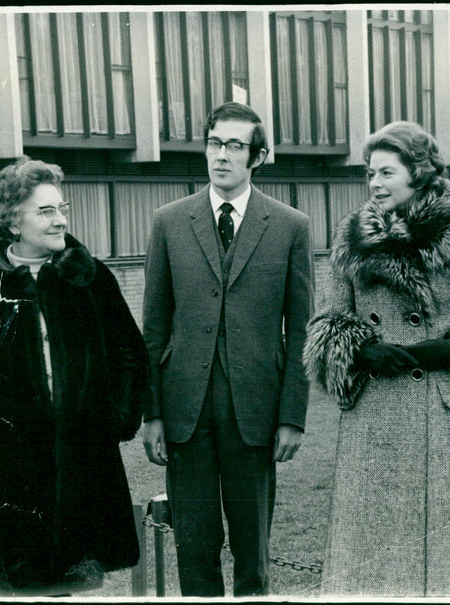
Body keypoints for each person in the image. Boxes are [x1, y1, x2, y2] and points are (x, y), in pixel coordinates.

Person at [303, 121, 450, 596]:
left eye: (387, 173)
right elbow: (325, 323)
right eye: (370, 173)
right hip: (373, 413)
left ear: (418, 174)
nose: (374, 184)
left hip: (441, 413)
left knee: (447, 547)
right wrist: (361, 349)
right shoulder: (352, 241)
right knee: (371, 548)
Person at [0, 157, 150, 595]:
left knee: (74, 577)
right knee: (21, 581)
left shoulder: (89, 278)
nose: (60, 221)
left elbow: (130, 356)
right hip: (13, 460)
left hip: (83, 455)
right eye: (46, 211)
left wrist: (114, 421)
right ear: (12, 222)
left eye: (62, 208)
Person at [141, 102, 314, 597]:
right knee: (193, 547)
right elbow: (154, 327)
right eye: (215, 143)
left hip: (255, 411)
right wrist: (152, 413)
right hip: (184, 411)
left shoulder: (290, 226)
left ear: (257, 156)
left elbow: (301, 329)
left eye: (235, 145)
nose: (221, 155)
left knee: (252, 547)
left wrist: (291, 416)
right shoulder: (169, 222)